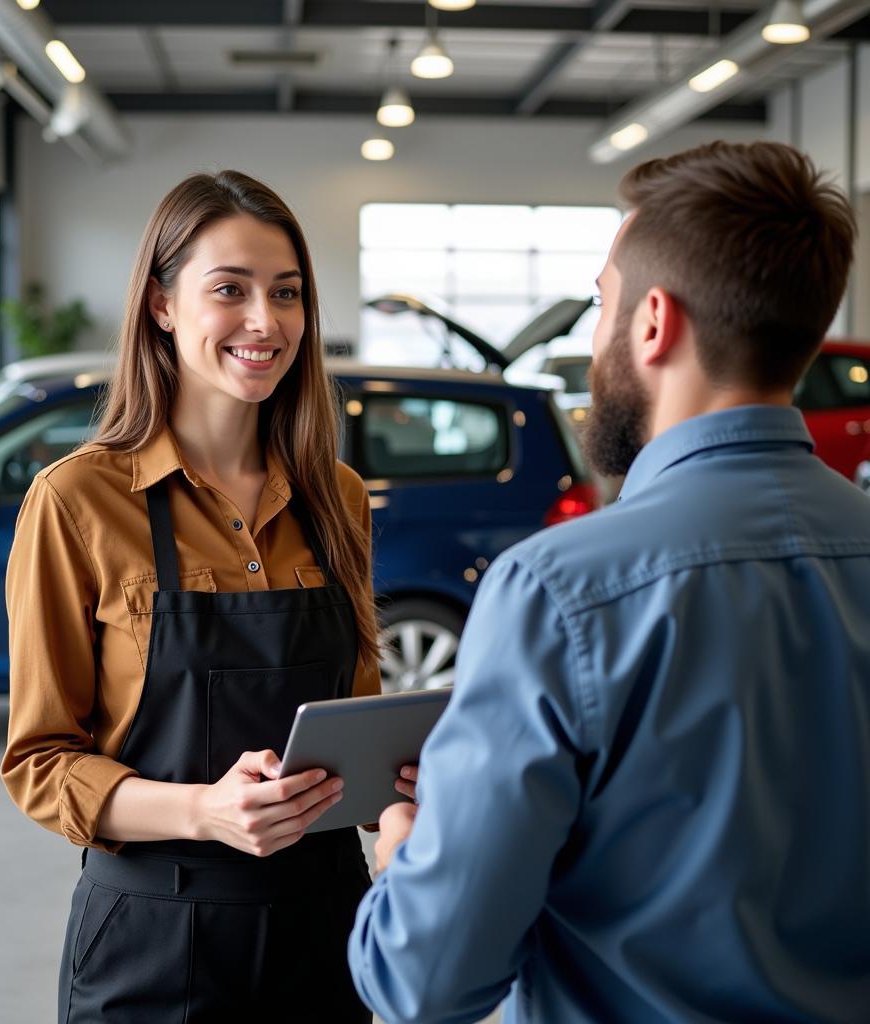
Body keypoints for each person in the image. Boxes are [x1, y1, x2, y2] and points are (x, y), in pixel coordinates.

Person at [348, 141, 870, 1023]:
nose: (595, 339)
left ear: (653, 322)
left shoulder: (558, 593)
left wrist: (408, 843)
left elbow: (424, 981)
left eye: (601, 305)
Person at [2, 170, 401, 1022]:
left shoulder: (338, 495)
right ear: (161, 305)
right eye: (231, 289)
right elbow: (39, 764)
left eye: (286, 293)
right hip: (153, 935)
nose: (267, 321)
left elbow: (357, 723)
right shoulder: (77, 500)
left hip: (326, 926)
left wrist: (405, 786)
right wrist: (204, 810)